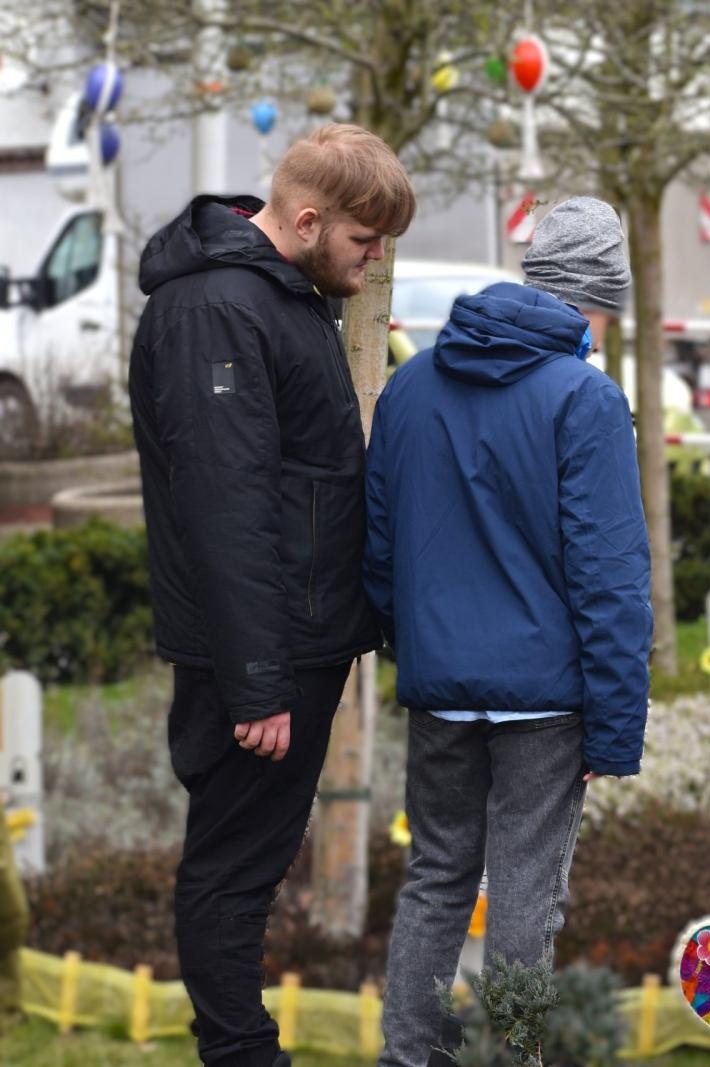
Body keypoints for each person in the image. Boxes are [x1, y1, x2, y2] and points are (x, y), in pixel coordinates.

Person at [128, 123, 414, 1067]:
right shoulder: (219, 309)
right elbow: (227, 500)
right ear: (302, 219)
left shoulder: (279, 295)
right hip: (264, 657)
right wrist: (259, 682)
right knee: (231, 873)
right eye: (364, 244)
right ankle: (243, 1055)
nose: (374, 266)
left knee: (247, 866)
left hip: (296, 642)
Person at [366, 196, 652, 1067]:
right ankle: (514, 1056)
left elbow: (379, 543)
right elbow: (609, 580)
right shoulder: (586, 399)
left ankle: (408, 1057)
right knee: (530, 894)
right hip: (544, 701)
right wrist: (614, 724)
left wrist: (408, 646)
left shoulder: (411, 383)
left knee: (437, 880)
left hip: (441, 690)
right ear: (597, 299)